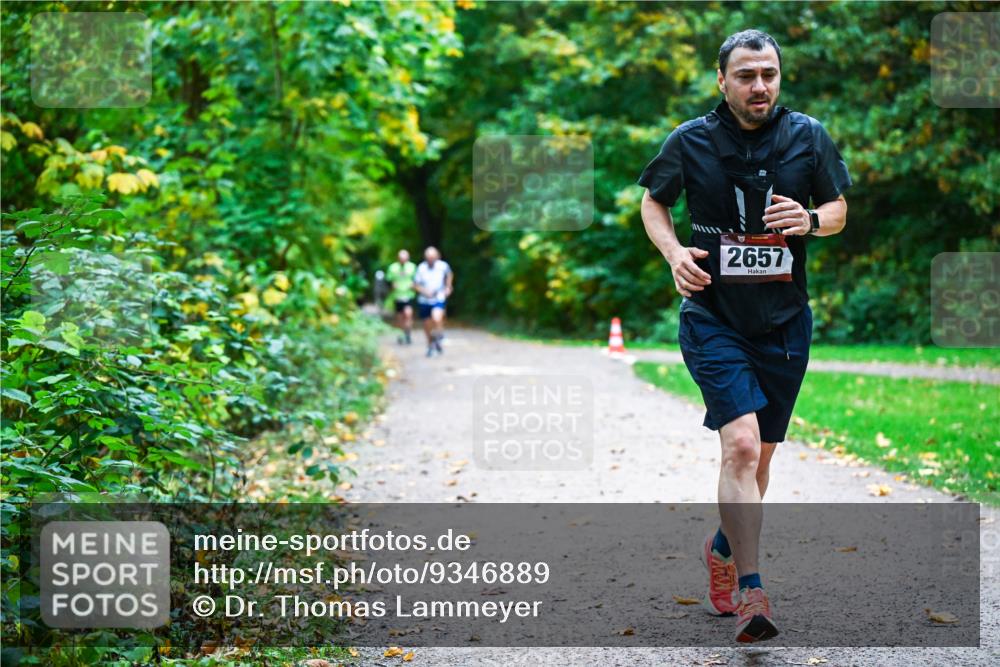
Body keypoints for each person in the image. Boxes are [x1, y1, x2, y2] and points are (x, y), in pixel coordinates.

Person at [637, 29, 851, 643]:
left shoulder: (807, 135)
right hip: (712, 317)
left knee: (760, 459)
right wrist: (675, 252)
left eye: (770, 75)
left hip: (784, 322)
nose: (760, 85)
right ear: (722, 81)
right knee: (739, 446)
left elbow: (837, 210)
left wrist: (809, 220)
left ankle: (723, 547)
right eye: (746, 75)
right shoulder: (691, 140)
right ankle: (754, 591)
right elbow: (654, 204)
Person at [413, 246, 453, 357]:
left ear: (437, 257)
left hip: (438, 297)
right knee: (427, 324)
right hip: (424, 300)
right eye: (428, 257)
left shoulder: (443, 266)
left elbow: (449, 274)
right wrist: (424, 291)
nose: (430, 259)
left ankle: (439, 335)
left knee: (437, 317)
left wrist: (448, 287)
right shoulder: (421, 268)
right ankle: (430, 345)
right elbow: (415, 284)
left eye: (432, 257)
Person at [386, 250, 417, 345]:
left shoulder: (412, 267)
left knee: (408, 314)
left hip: (409, 295)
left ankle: (407, 333)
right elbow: (388, 280)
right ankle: (400, 334)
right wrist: (392, 285)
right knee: (399, 317)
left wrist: (414, 285)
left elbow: (417, 279)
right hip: (397, 295)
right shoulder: (393, 267)